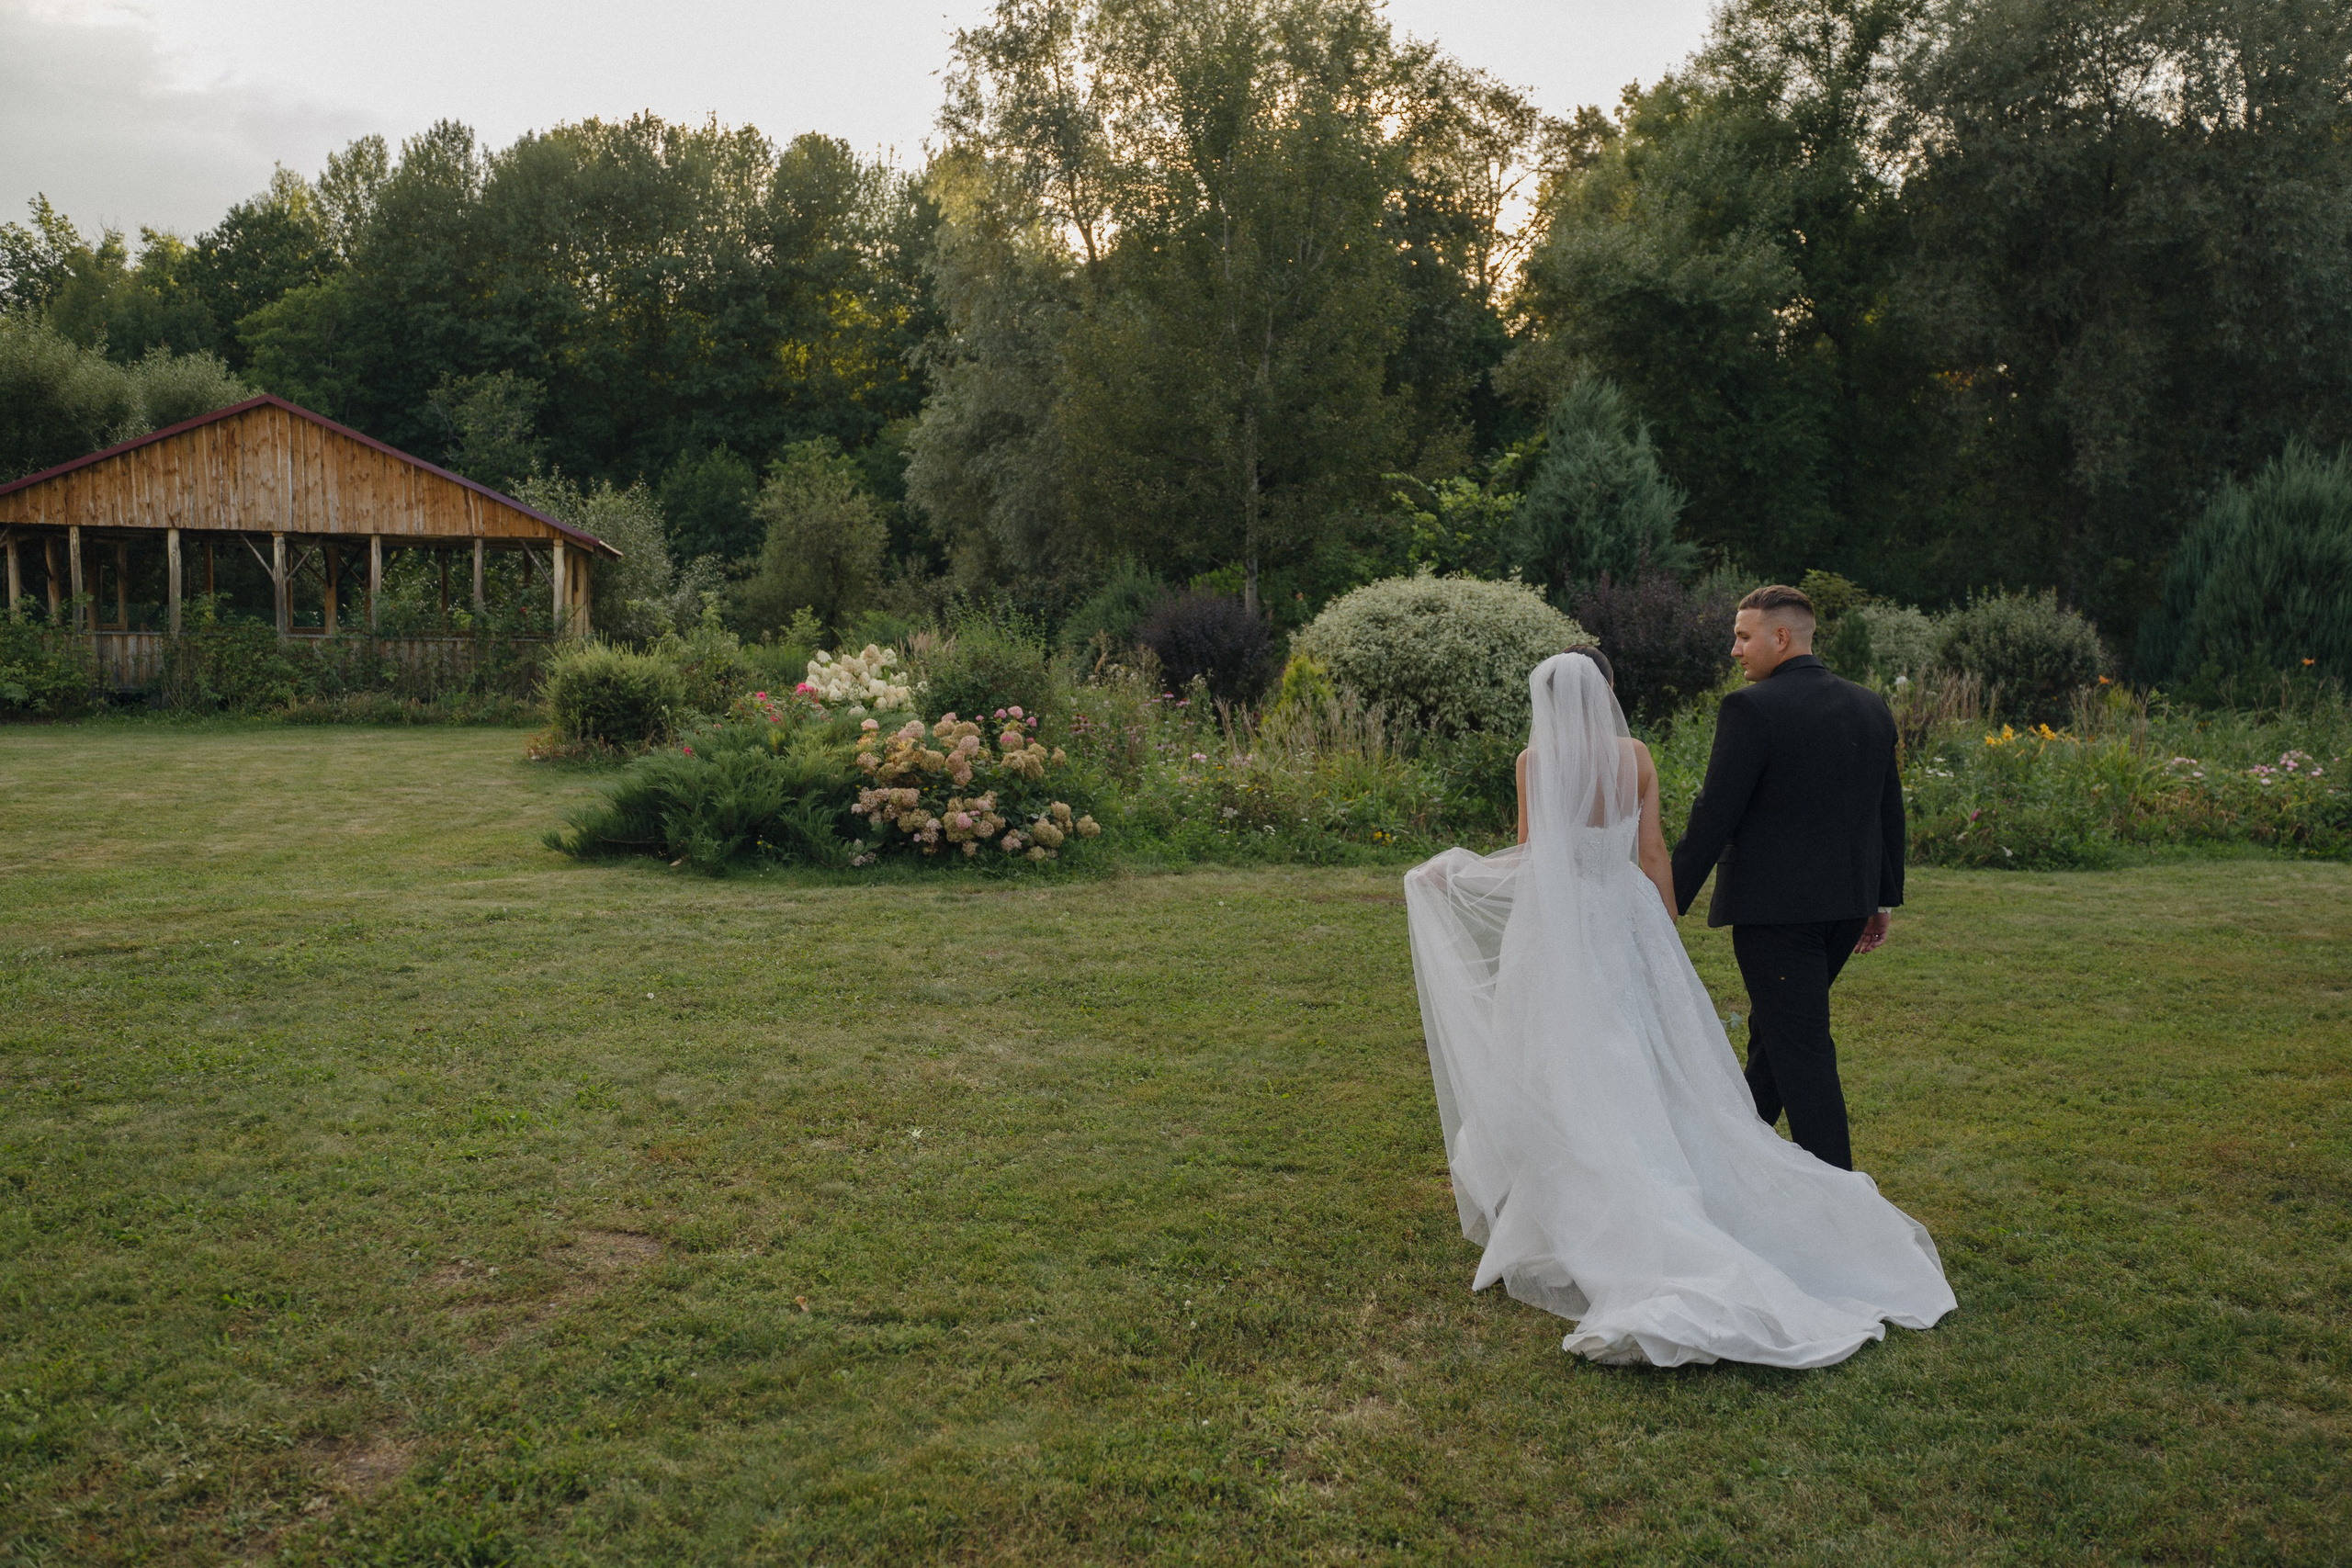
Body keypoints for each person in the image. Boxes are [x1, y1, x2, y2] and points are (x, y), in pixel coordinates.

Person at [1402, 647, 1951, 1368]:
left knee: (1563, 1048)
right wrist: (1660, 927)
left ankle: (1577, 1180)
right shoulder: (1636, 755)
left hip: (1564, 928)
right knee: (1645, 1044)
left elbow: (1539, 859)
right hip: (1625, 912)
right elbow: (1654, 849)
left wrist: (1458, 872)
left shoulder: (1534, 762)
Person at [1668, 584, 1906, 1173]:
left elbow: (1713, 814)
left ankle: (1844, 1207)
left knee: (1800, 1049)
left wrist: (1663, 899)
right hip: (1846, 906)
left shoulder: (1751, 710)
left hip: (1776, 916)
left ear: (1782, 637)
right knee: (1776, 1037)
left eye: (1743, 636)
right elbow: (1888, 810)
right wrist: (1882, 898)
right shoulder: (1870, 705)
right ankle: (1733, 1162)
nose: (1734, 650)